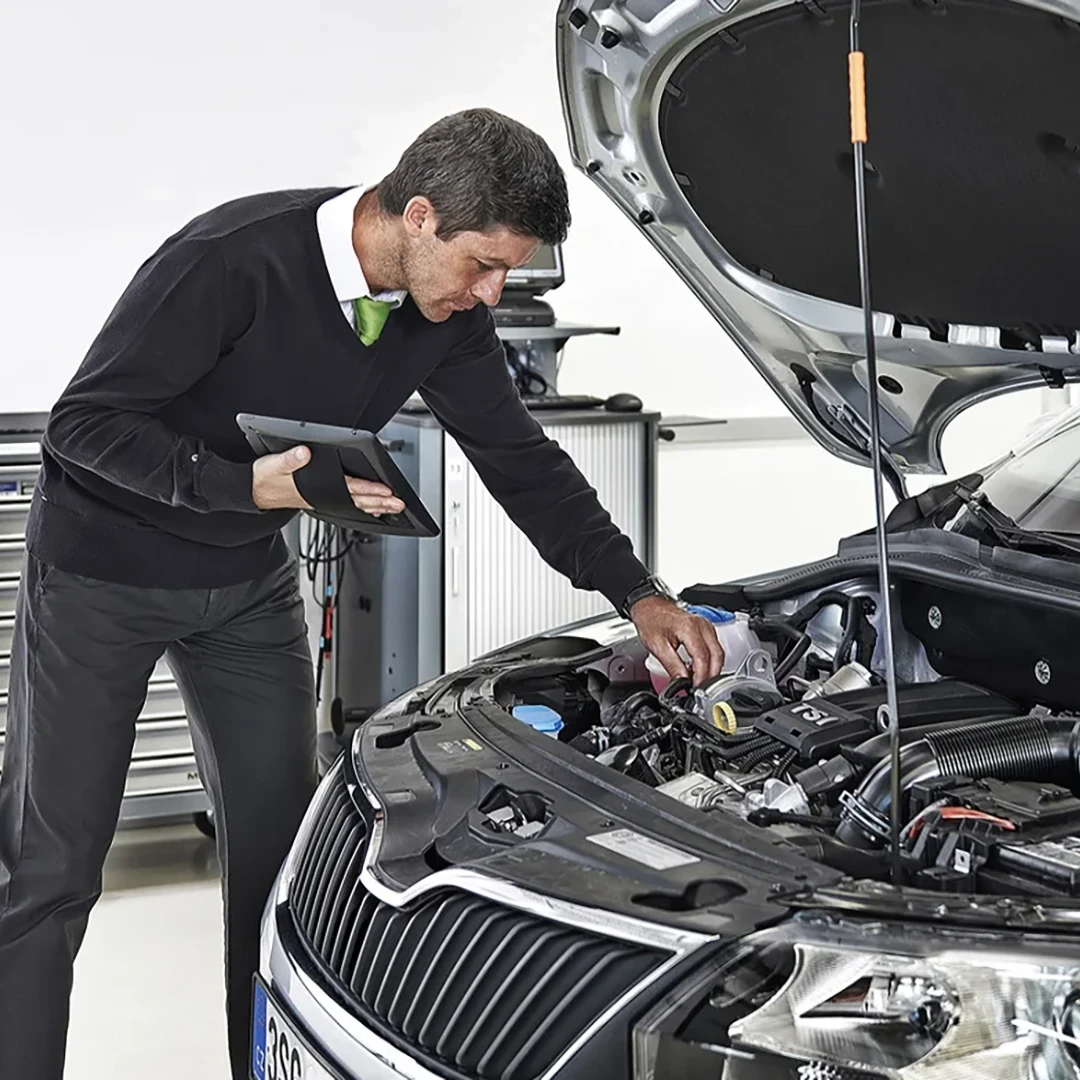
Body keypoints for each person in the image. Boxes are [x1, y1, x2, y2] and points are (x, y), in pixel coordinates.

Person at [0, 107, 724, 1079]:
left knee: (281, 865)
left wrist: (637, 592)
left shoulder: (448, 321)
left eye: (506, 274)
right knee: (51, 871)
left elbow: (521, 461)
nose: (491, 293)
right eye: (483, 265)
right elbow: (83, 427)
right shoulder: (228, 260)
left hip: (242, 586)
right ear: (417, 217)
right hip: (103, 573)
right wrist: (241, 488)